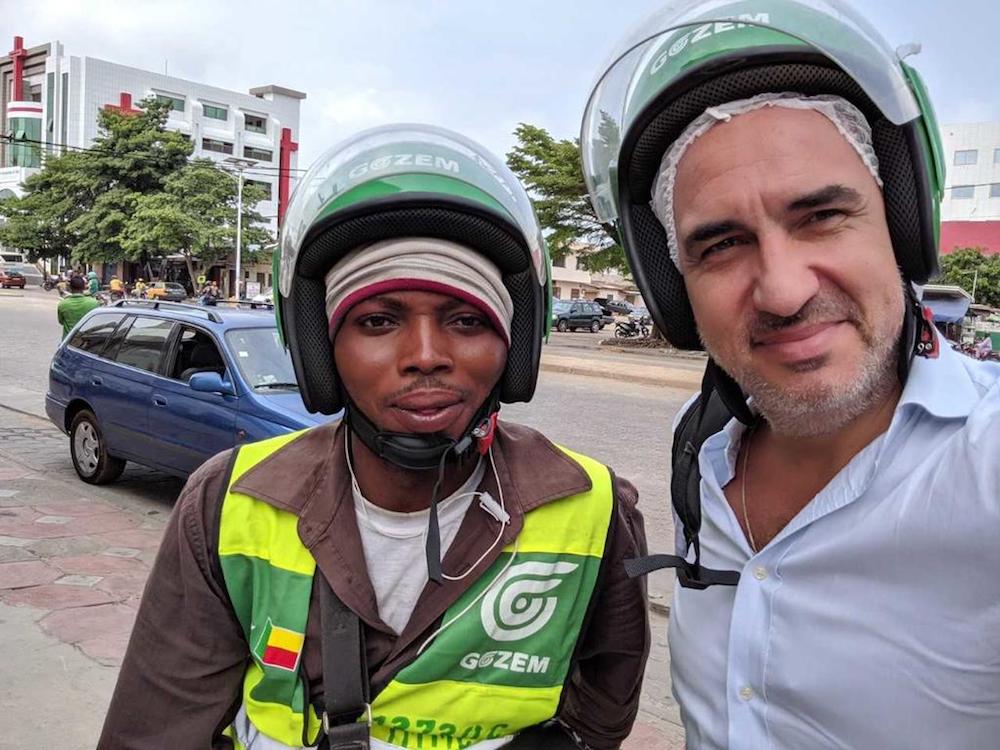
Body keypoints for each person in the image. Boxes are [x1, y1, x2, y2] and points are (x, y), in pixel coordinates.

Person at [100, 124, 649, 750]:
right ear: (321, 349)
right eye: (378, 320)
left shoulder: (594, 507)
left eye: (466, 320)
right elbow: (154, 732)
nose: (424, 356)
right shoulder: (229, 502)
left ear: (514, 347)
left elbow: (598, 719)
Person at [582, 1, 1000, 748]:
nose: (782, 290)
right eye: (721, 244)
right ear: (674, 287)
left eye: (821, 217)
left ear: (901, 226)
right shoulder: (700, 447)